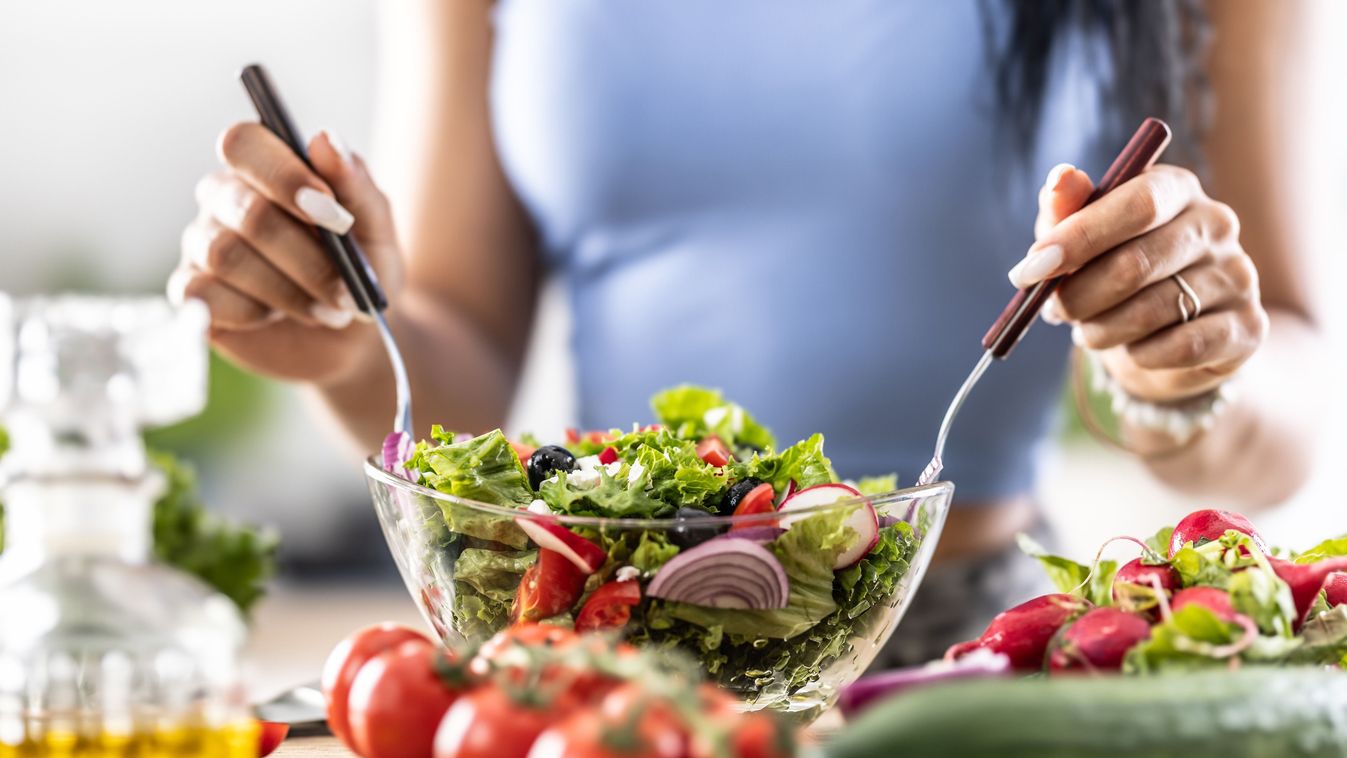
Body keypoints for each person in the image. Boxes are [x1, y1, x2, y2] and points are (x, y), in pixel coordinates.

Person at [168, 1, 1324, 665]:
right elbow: (452, 365)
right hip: (593, 645)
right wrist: (331, 332)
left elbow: (1298, 386)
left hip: (958, 650)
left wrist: (1180, 378)